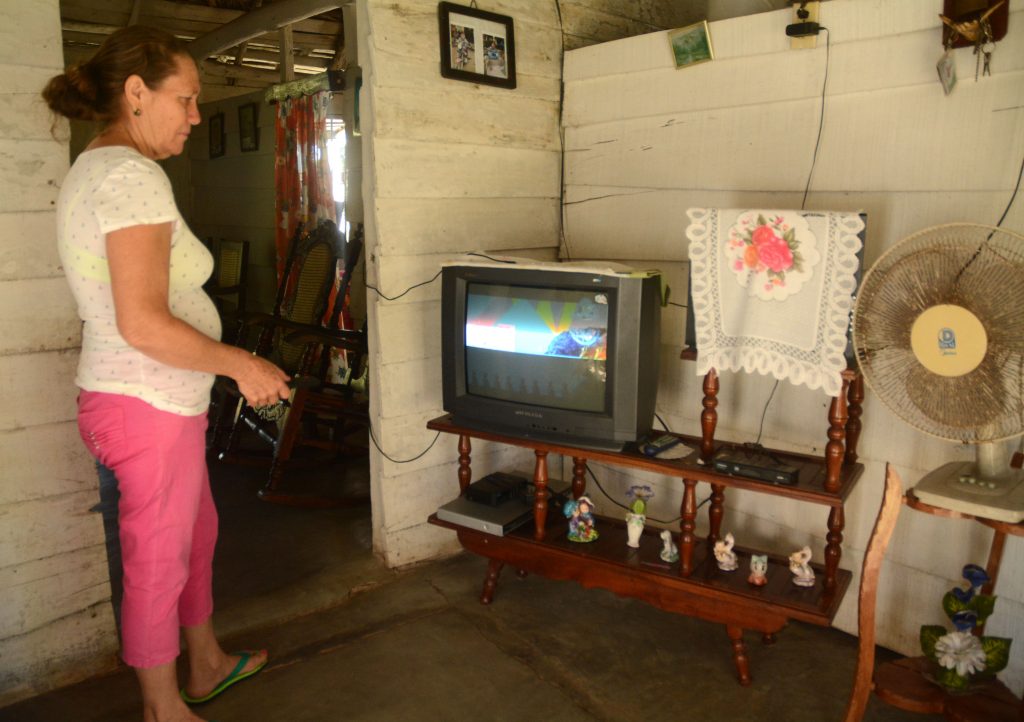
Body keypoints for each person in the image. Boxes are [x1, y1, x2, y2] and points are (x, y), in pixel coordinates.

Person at [42, 26, 291, 722]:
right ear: (135, 94)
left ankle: (204, 661)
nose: (194, 116)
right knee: (158, 557)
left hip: (145, 400)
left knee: (195, 533)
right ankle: (163, 708)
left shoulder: (103, 168)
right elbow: (143, 322)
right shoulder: (129, 176)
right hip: (142, 403)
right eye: (185, 99)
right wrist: (242, 365)